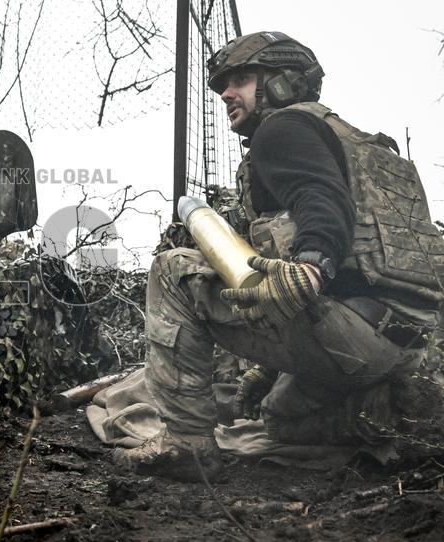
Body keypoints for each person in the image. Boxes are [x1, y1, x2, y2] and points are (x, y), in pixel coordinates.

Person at [113, 31, 444, 480]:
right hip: (404, 345)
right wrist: (268, 370)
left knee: (173, 270)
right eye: (224, 85)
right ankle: (394, 412)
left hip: (352, 336)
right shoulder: (362, 146)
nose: (227, 93)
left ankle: (185, 443)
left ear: (284, 81)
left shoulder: (282, 127)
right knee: (277, 416)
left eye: (242, 79)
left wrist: (311, 263)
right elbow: (364, 269)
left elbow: (321, 198)